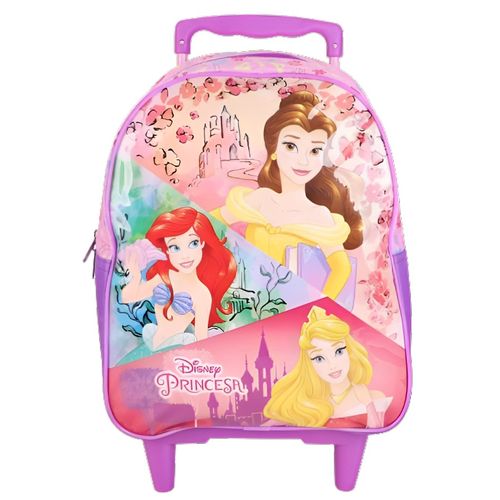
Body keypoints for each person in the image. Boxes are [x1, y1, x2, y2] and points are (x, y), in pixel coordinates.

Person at [211, 91, 363, 299]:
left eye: (315, 151)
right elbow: (205, 223)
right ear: (273, 149)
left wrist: (316, 308)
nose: (303, 161)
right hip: (247, 304)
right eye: (291, 146)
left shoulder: (319, 215)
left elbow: (341, 268)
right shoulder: (261, 199)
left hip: (294, 307)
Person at [120, 206, 236, 353]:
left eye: (193, 243)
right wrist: (136, 276)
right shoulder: (165, 276)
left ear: (202, 243)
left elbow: (201, 340)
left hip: (175, 350)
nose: (185, 255)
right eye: (175, 247)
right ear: (167, 249)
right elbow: (127, 297)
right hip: (151, 345)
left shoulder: (202, 294)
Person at [262, 305, 391, 428]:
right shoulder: (306, 402)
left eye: (339, 351)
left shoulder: (374, 397)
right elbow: (265, 428)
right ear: (309, 364)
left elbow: (376, 431)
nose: (332, 365)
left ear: (350, 351)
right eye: (319, 358)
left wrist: (368, 403)